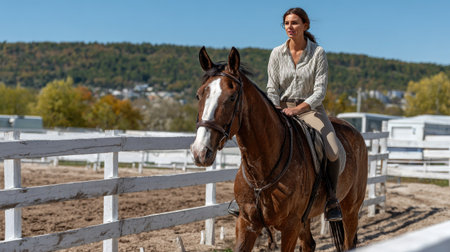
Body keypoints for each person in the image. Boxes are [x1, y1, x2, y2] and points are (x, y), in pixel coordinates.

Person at [266, 7, 344, 221]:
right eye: (287, 23)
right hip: (281, 108)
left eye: (295, 23)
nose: (290, 27)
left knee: (333, 150)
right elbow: (272, 88)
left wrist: (298, 109)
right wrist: (276, 110)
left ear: (305, 26)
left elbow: (320, 91)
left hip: (310, 109)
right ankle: (247, 196)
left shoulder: (317, 53)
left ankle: (331, 199)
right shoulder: (276, 54)